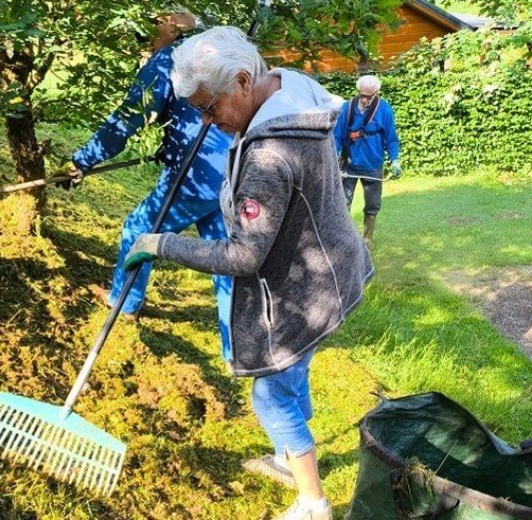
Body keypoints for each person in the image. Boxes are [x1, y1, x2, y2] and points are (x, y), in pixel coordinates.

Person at [122, 27, 374, 520]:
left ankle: (313, 502)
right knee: (291, 367)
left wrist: (161, 243)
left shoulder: (268, 156)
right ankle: (289, 455)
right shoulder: (288, 86)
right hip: (329, 265)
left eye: (209, 107)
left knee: (270, 390)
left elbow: (243, 258)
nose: (206, 120)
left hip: (311, 283)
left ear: (242, 80)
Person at [69, 11, 234, 358]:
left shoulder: (170, 61)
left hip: (197, 176)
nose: (143, 43)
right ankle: (237, 346)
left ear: (170, 23)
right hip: (235, 171)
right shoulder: (218, 51)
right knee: (225, 258)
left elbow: (127, 120)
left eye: (146, 32)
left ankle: (124, 305)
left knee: (139, 231)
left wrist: (81, 161)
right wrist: (169, 144)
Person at [333, 75, 401, 245]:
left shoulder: (384, 110)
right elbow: (336, 137)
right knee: (344, 202)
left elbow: (391, 139)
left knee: (372, 205)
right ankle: (345, 239)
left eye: (369, 96)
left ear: (377, 93)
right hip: (349, 165)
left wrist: (394, 161)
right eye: (362, 95)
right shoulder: (346, 109)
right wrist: (333, 156)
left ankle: (367, 240)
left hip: (373, 165)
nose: (364, 99)